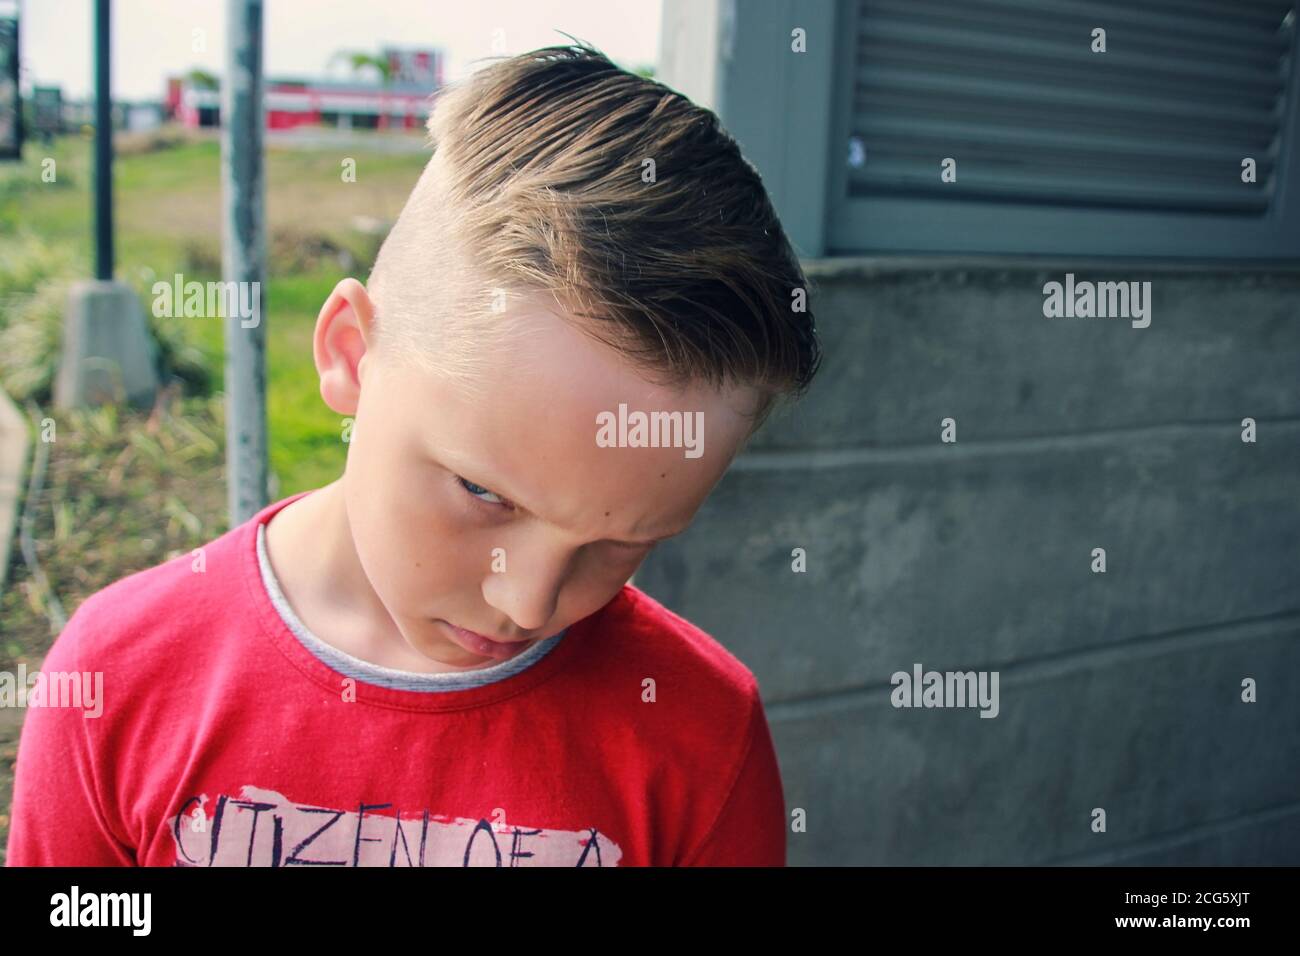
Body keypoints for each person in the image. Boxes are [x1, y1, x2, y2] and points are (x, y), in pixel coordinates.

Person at [6, 42, 821, 867]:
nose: (529, 603)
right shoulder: (120, 679)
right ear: (353, 353)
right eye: (483, 492)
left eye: (624, 543)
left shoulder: (702, 736)